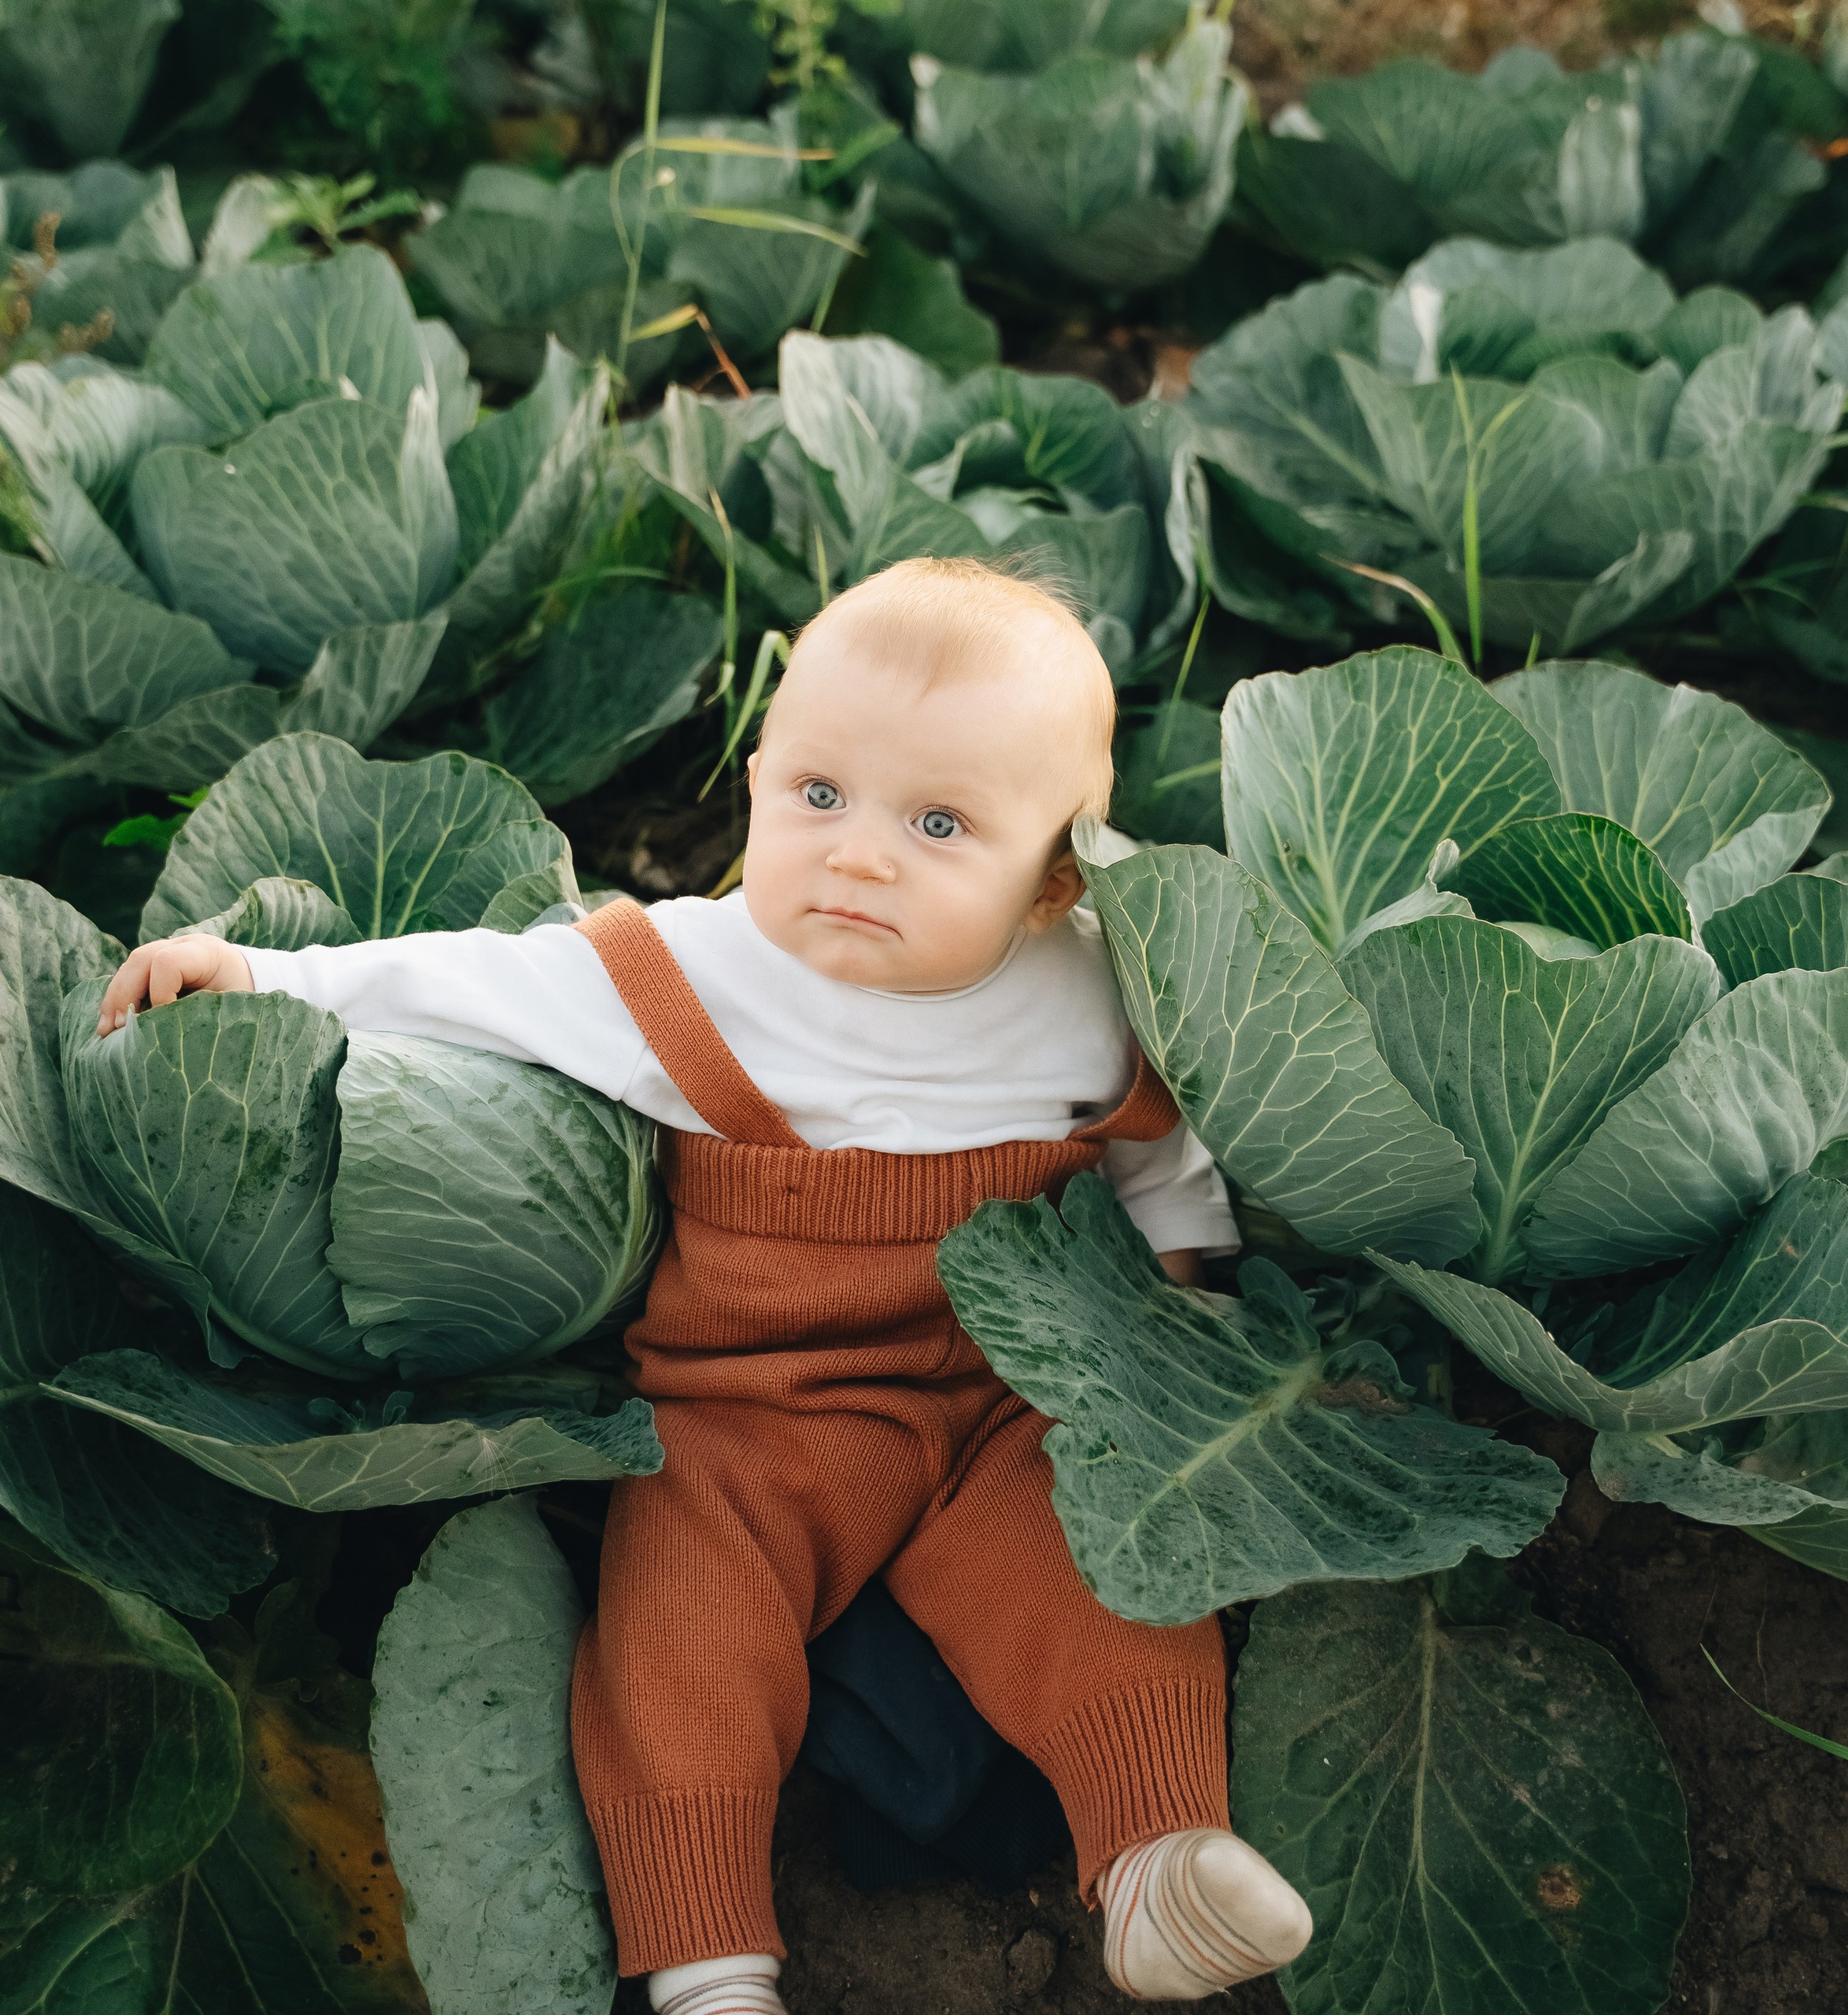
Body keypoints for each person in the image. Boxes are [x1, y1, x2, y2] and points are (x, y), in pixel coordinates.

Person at [96, 556, 1317, 2014]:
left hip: (1013, 1402)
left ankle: (1159, 1858)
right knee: (678, 1641)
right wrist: (269, 977)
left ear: (1056, 881)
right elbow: (480, 982)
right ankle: (709, 1959)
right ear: (753, 788)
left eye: (938, 824)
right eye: (819, 794)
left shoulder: (1087, 992)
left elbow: (1154, 1141)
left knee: (1110, 1584)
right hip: (751, 1419)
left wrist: (1188, 1286)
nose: (859, 856)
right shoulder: (694, 971)